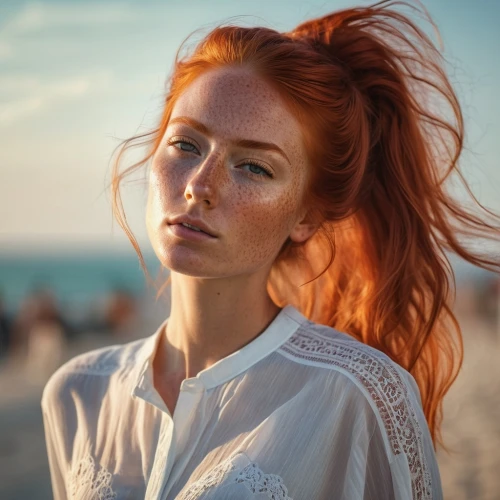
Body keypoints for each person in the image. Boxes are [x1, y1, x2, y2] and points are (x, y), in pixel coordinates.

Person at [41, 1, 500, 499]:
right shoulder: (77, 394)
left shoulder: (359, 397)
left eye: (254, 167)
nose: (199, 185)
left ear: (305, 216)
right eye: (186, 145)